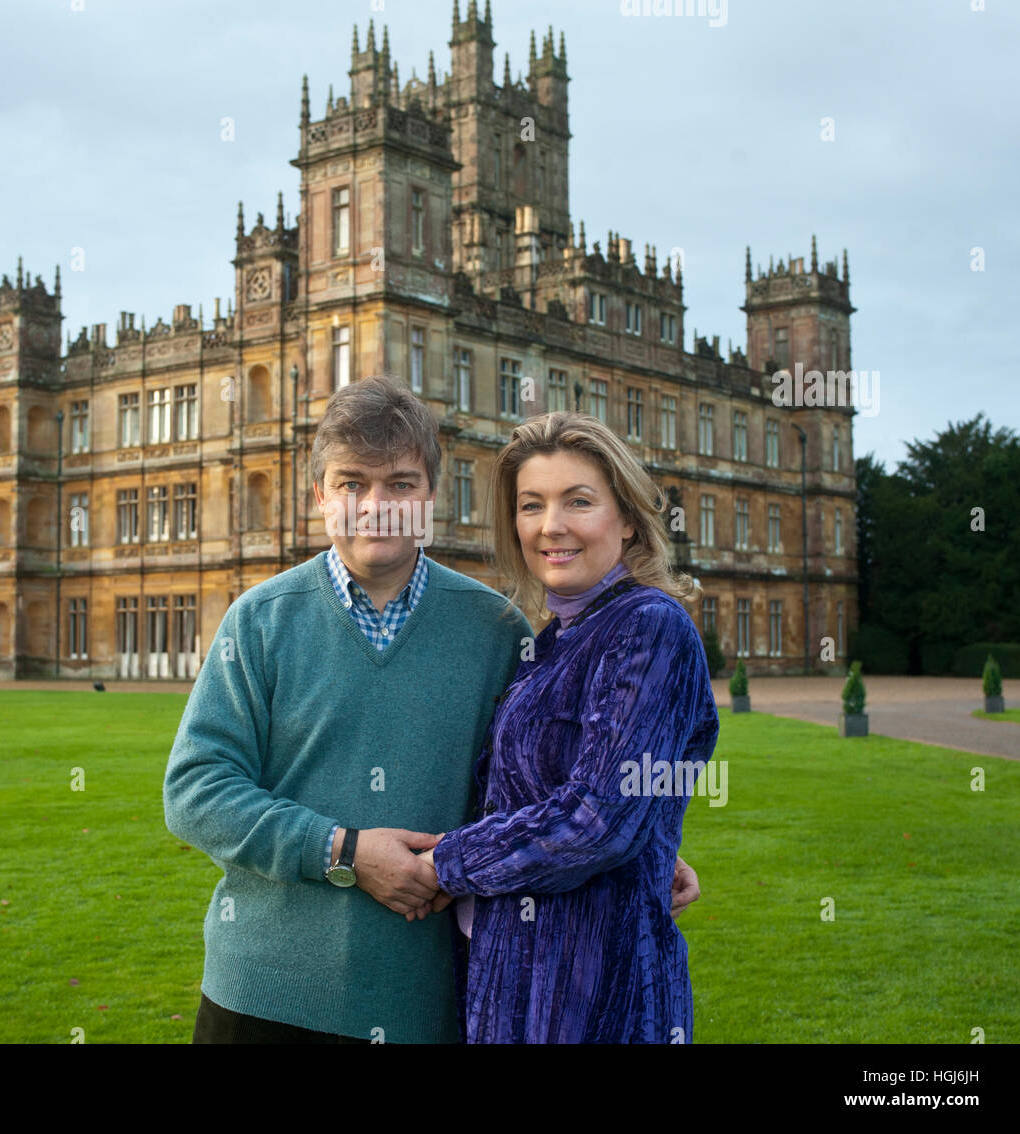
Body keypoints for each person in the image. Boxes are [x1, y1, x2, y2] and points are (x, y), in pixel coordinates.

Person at [163, 377, 700, 1044]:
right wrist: (345, 851)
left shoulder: (499, 629)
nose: (376, 506)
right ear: (319, 496)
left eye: (400, 484)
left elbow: (553, 782)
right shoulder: (261, 619)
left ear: (431, 499)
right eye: (351, 483)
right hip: (266, 996)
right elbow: (194, 791)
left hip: (427, 1002)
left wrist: (644, 850)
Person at [416, 410, 719, 1043]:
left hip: (594, 994)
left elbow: (598, 821)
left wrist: (445, 862)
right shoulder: (554, 638)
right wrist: (654, 848)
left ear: (629, 518)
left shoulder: (648, 626)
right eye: (532, 506)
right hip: (514, 983)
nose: (550, 526)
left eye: (578, 501)